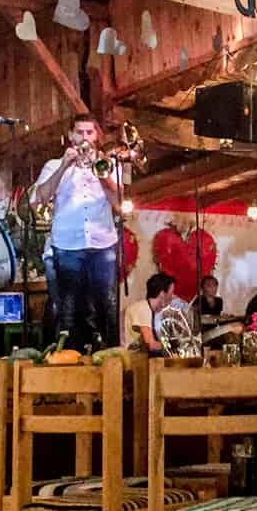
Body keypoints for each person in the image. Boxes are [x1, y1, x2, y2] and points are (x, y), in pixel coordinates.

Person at [31, 116, 121, 349]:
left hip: (102, 244)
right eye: (79, 133)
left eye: (89, 133)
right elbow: (38, 199)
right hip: (68, 245)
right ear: (71, 136)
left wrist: (101, 173)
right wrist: (64, 166)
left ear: (96, 137)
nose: (84, 138)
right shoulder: (54, 165)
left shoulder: (109, 165)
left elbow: (119, 202)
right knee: (69, 309)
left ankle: (112, 357)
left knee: (107, 305)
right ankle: (70, 357)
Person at [124, 273, 178, 353]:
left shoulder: (148, 309)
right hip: (132, 359)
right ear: (162, 294)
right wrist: (175, 344)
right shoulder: (143, 309)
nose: (173, 296)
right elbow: (151, 345)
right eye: (171, 292)